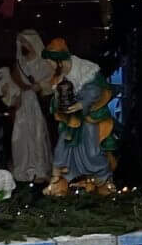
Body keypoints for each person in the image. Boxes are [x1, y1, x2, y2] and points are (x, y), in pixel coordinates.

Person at [45, 37, 116, 186]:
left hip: (90, 117)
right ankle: (63, 181)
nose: (49, 67)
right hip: (72, 120)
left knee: (92, 151)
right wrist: (59, 101)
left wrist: (81, 104)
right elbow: (58, 98)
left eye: (50, 63)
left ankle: (103, 179)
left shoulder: (86, 70)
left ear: (59, 61)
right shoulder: (59, 77)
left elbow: (95, 90)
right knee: (61, 149)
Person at [0, 29, 54, 184]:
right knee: (21, 136)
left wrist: (40, 86)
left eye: (25, 42)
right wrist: (8, 90)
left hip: (38, 105)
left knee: (38, 134)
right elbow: (13, 84)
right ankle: (23, 168)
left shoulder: (44, 64)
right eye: (21, 42)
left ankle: (40, 169)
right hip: (23, 106)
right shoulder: (19, 64)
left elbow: (52, 81)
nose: (23, 45)